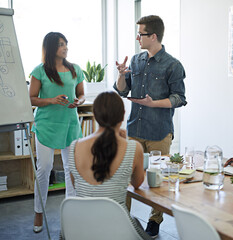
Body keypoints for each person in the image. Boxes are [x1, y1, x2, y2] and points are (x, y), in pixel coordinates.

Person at [113, 15, 187, 237]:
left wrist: (153, 103)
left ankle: (154, 221)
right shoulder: (136, 61)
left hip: (159, 132)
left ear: (153, 36)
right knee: (125, 174)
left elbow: (179, 98)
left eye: (141, 34)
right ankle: (121, 219)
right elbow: (122, 91)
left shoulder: (172, 65)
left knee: (159, 179)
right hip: (134, 129)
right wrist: (121, 75)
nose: (138, 38)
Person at [67, 91, 150, 240]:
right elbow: (137, 183)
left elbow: (75, 185)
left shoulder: (75, 147)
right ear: (123, 114)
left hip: (80, 229)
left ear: (95, 114)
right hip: (118, 230)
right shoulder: (133, 148)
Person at [29, 32, 85, 233]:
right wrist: (52, 100)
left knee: (72, 169)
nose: (65, 47)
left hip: (70, 124)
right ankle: (38, 212)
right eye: (61, 44)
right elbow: (32, 99)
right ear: (52, 47)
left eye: (66, 44)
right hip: (46, 125)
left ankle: (71, 213)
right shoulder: (40, 71)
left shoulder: (75, 69)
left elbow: (81, 93)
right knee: (44, 168)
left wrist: (80, 100)